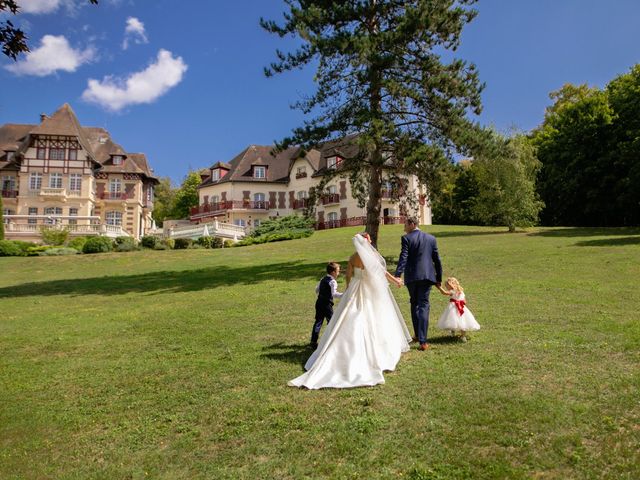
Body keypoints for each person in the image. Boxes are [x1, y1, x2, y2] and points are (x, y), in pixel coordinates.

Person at [289, 233, 411, 389]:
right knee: (373, 317)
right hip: (369, 289)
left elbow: (348, 276)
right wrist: (396, 281)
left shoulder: (353, 257)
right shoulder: (371, 256)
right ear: (366, 243)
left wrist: (348, 289)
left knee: (346, 316)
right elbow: (382, 272)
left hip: (355, 286)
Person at [393, 217, 442, 351]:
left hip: (412, 277)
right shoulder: (431, 238)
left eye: (405, 224)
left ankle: (419, 336)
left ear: (412, 224)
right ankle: (422, 340)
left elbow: (403, 257)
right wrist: (439, 278)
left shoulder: (406, 238)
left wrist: (398, 274)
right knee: (423, 305)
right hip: (427, 276)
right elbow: (437, 259)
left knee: (415, 304)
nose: (404, 227)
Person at [436, 277, 480, 342]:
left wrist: (439, 287)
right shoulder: (461, 291)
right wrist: (461, 302)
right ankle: (463, 336)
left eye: (447, 286)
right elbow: (464, 301)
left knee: (452, 320)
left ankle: (454, 333)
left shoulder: (453, 291)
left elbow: (444, 293)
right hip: (462, 308)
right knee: (462, 321)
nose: (447, 287)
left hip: (453, 308)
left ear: (451, 284)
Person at [311, 262, 343, 348]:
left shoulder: (322, 279)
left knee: (318, 322)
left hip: (319, 302)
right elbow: (334, 294)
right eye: (338, 271)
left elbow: (317, 289)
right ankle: (331, 340)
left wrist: (322, 295)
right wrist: (344, 295)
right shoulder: (333, 282)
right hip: (327, 305)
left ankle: (313, 342)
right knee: (331, 322)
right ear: (333, 272)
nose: (338, 273)